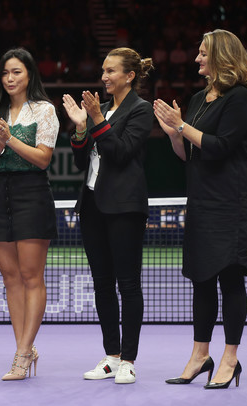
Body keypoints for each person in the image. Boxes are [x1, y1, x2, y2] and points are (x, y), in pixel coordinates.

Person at [154, 29, 247, 389]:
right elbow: (190, 154)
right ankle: (200, 355)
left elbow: (221, 146)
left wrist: (182, 125)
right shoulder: (199, 99)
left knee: (229, 279)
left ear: (221, 57)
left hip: (231, 203)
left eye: (202, 53)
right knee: (201, 280)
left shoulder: (241, 98)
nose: (196, 58)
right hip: (200, 201)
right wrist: (173, 134)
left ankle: (230, 357)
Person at [62, 47, 154, 384]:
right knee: (102, 284)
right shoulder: (97, 109)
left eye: (111, 71)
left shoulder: (141, 111)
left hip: (125, 207)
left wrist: (97, 122)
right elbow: (79, 160)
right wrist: (79, 129)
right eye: (103, 70)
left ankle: (129, 359)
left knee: (128, 284)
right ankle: (111, 357)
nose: (104, 77)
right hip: (92, 205)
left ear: (129, 76)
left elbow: (120, 152)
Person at [0, 48, 59, 381]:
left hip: (32, 193)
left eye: (17, 73)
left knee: (31, 276)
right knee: (11, 278)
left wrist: (9, 140)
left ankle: (23, 354)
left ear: (29, 76)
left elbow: (43, 159)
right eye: (6, 73)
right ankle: (24, 348)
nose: (10, 79)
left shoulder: (44, 110)